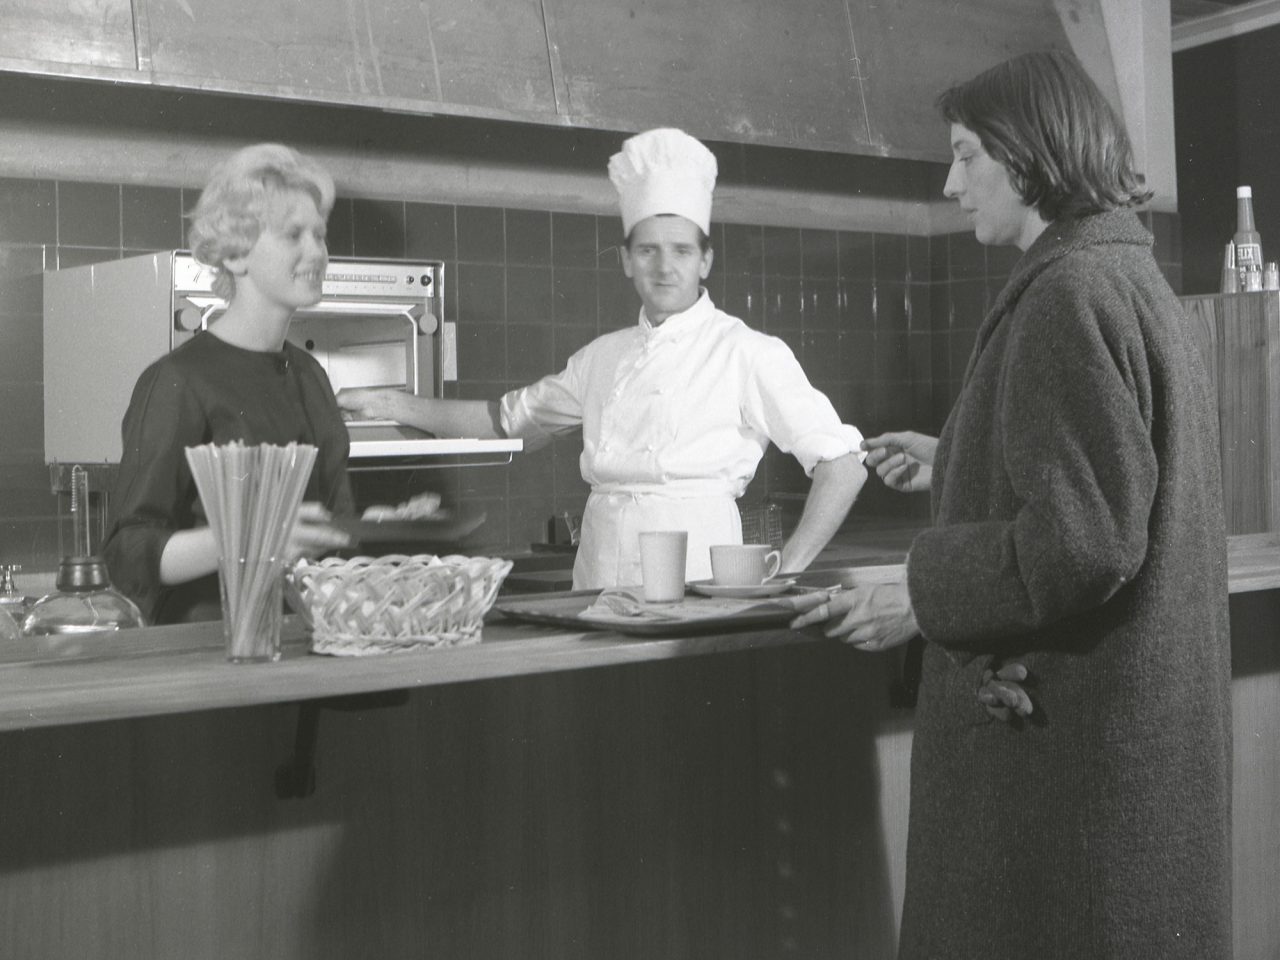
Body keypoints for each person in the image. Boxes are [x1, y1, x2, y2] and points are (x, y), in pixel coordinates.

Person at [791, 51, 1232, 958]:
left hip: (1070, 773)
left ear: (1029, 155)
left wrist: (922, 594)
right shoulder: (1125, 276)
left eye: (965, 156)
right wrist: (961, 455)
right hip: (1124, 762)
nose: (950, 185)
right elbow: (1119, 471)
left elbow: (1086, 538)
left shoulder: (1066, 294)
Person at [338, 128, 867, 589]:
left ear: (705, 260)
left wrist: (788, 570)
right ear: (626, 261)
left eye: (682, 250)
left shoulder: (747, 351)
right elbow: (502, 420)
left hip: (697, 581)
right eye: (648, 250)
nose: (664, 267)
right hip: (596, 579)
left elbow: (843, 466)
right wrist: (390, 403)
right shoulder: (601, 358)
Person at [103, 143, 353, 624]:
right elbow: (127, 554)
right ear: (236, 255)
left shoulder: (311, 375)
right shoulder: (177, 381)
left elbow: (331, 524)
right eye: (294, 235)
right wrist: (254, 538)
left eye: (320, 235)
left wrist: (370, 528)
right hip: (206, 646)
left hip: (307, 636)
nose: (317, 252)